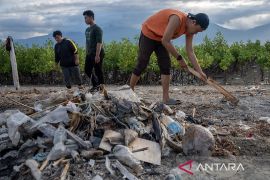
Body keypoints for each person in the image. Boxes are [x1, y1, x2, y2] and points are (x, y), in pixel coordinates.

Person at [130, 9, 209, 105]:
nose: (196, 33)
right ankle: (130, 93)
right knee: (142, 63)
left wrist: (200, 71)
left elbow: (190, 51)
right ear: (193, 22)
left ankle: (166, 99)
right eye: (197, 30)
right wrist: (180, 59)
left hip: (161, 38)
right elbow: (166, 41)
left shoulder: (190, 30)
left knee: (165, 65)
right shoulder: (177, 19)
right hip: (149, 34)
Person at [83, 10, 105, 92]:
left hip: (97, 53)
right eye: (84, 18)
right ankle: (96, 85)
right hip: (89, 53)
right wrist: (86, 52)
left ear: (91, 17)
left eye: (86, 18)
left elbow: (99, 42)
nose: (85, 20)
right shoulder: (87, 30)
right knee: (87, 70)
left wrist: (97, 55)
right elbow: (87, 42)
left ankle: (102, 87)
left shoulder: (97, 29)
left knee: (98, 70)